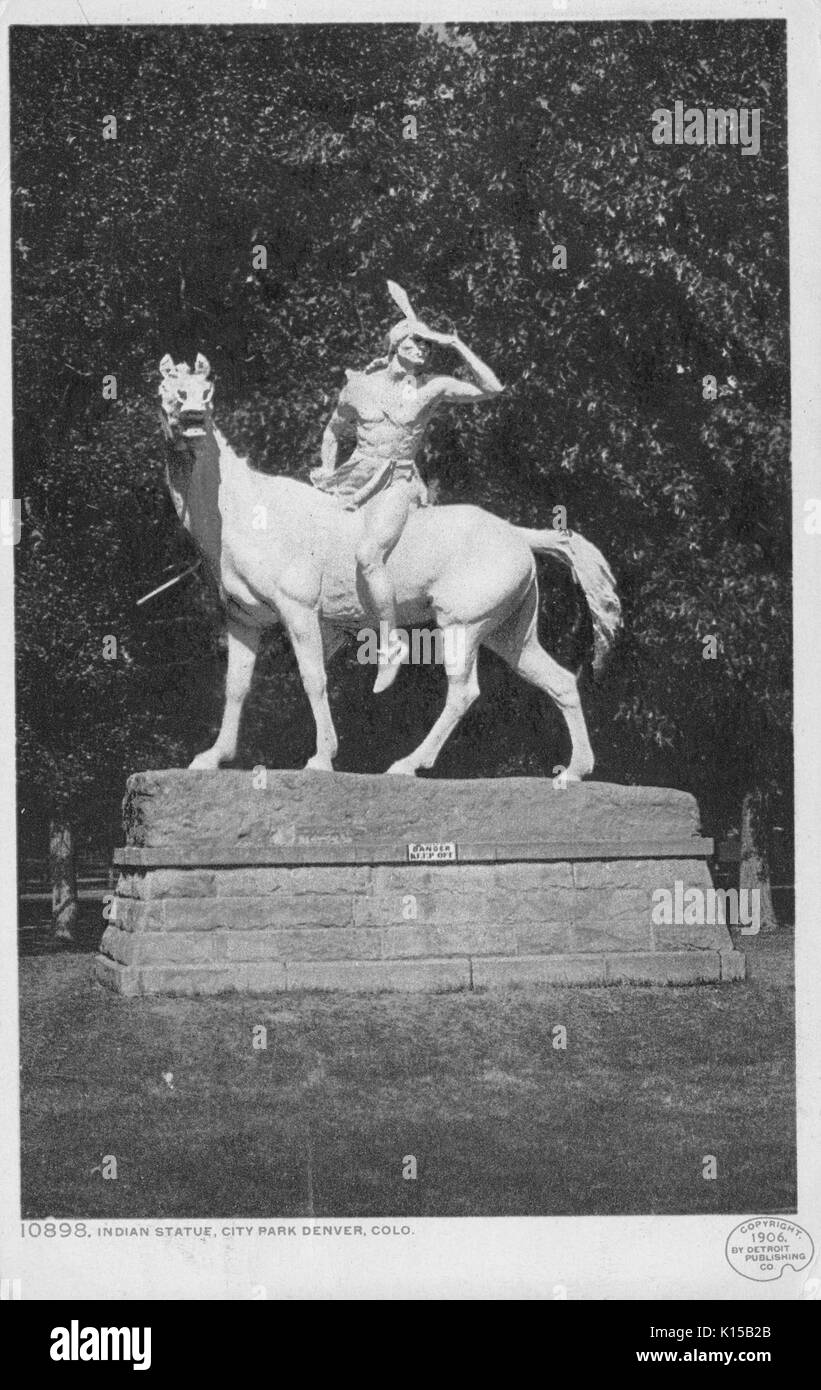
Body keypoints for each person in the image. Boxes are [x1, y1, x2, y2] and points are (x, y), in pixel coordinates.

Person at [311, 310, 504, 692]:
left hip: (396, 481)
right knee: (311, 546)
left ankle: (389, 643)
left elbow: (492, 387)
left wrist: (456, 343)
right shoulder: (360, 387)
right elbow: (334, 431)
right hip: (352, 477)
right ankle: (329, 623)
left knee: (368, 554)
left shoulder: (432, 387)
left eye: (427, 346)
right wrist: (324, 467)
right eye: (414, 342)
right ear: (394, 347)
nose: (423, 350)